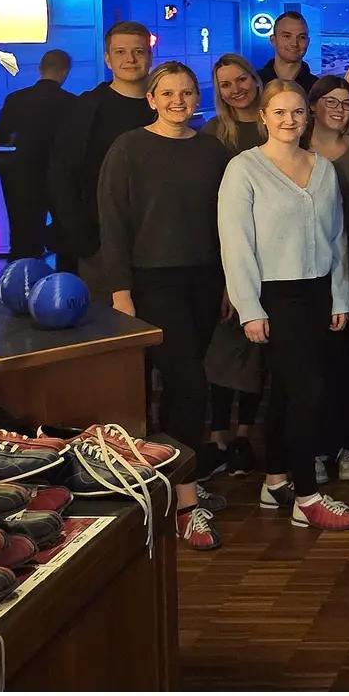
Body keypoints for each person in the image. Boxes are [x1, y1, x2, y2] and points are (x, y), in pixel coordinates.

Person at [98, 61, 233, 549]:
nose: (179, 100)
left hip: (204, 280)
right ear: (151, 99)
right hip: (152, 282)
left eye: (187, 91)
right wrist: (120, 292)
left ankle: (175, 480)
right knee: (187, 386)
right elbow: (112, 223)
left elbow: (226, 223)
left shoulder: (211, 150)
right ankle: (186, 500)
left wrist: (227, 283)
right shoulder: (129, 149)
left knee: (187, 387)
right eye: (168, 92)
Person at [217, 80, 349, 531]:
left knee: (284, 390)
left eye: (297, 112)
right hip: (274, 295)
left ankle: (274, 478)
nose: (289, 120)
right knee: (306, 392)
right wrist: (249, 307)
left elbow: (337, 238)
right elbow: (235, 243)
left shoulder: (323, 169)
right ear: (263, 116)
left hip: (317, 292)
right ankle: (306, 495)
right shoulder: (244, 169)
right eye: (279, 112)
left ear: (308, 116)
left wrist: (339, 294)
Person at [303, 75, 349, 483]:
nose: (339, 108)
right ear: (312, 105)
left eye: (346, 103)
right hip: (306, 271)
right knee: (314, 366)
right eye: (330, 101)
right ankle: (316, 446)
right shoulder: (294, 152)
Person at [47, 20, 156, 295]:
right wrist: (84, 240)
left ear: (150, 56)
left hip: (157, 245)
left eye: (138, 52)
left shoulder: (165, 107)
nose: (130, 59)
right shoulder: (86, 109)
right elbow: (61, 177)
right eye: (120, 52)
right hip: (100, 245)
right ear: (107, 59)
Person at [199, 55, 268, 477]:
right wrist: (229, 277)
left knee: (257, 353)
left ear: (255, 80)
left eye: (241, 79)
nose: (235, 88)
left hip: (271, 260)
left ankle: (244, 434)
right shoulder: (213, 136)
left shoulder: (273, 126)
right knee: (224, 351)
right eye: (225, 84)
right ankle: (217, 436)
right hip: (228, 257)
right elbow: (215, 210)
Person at [0, 49, 73, 261]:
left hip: (18, 173)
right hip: (59, 174)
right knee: (66, 229)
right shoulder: (72, 103)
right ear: (65, 72)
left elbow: (0, 136)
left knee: (22, 234)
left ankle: (21, 283)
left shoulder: (15, 99)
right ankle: (64, 284)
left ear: (40, 69)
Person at [257, 11, 318, 91]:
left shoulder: (317, 88)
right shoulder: (255, 83)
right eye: (287, 36)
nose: (294, 43)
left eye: (302, 37)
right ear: (273, 40)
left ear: (308, 41)